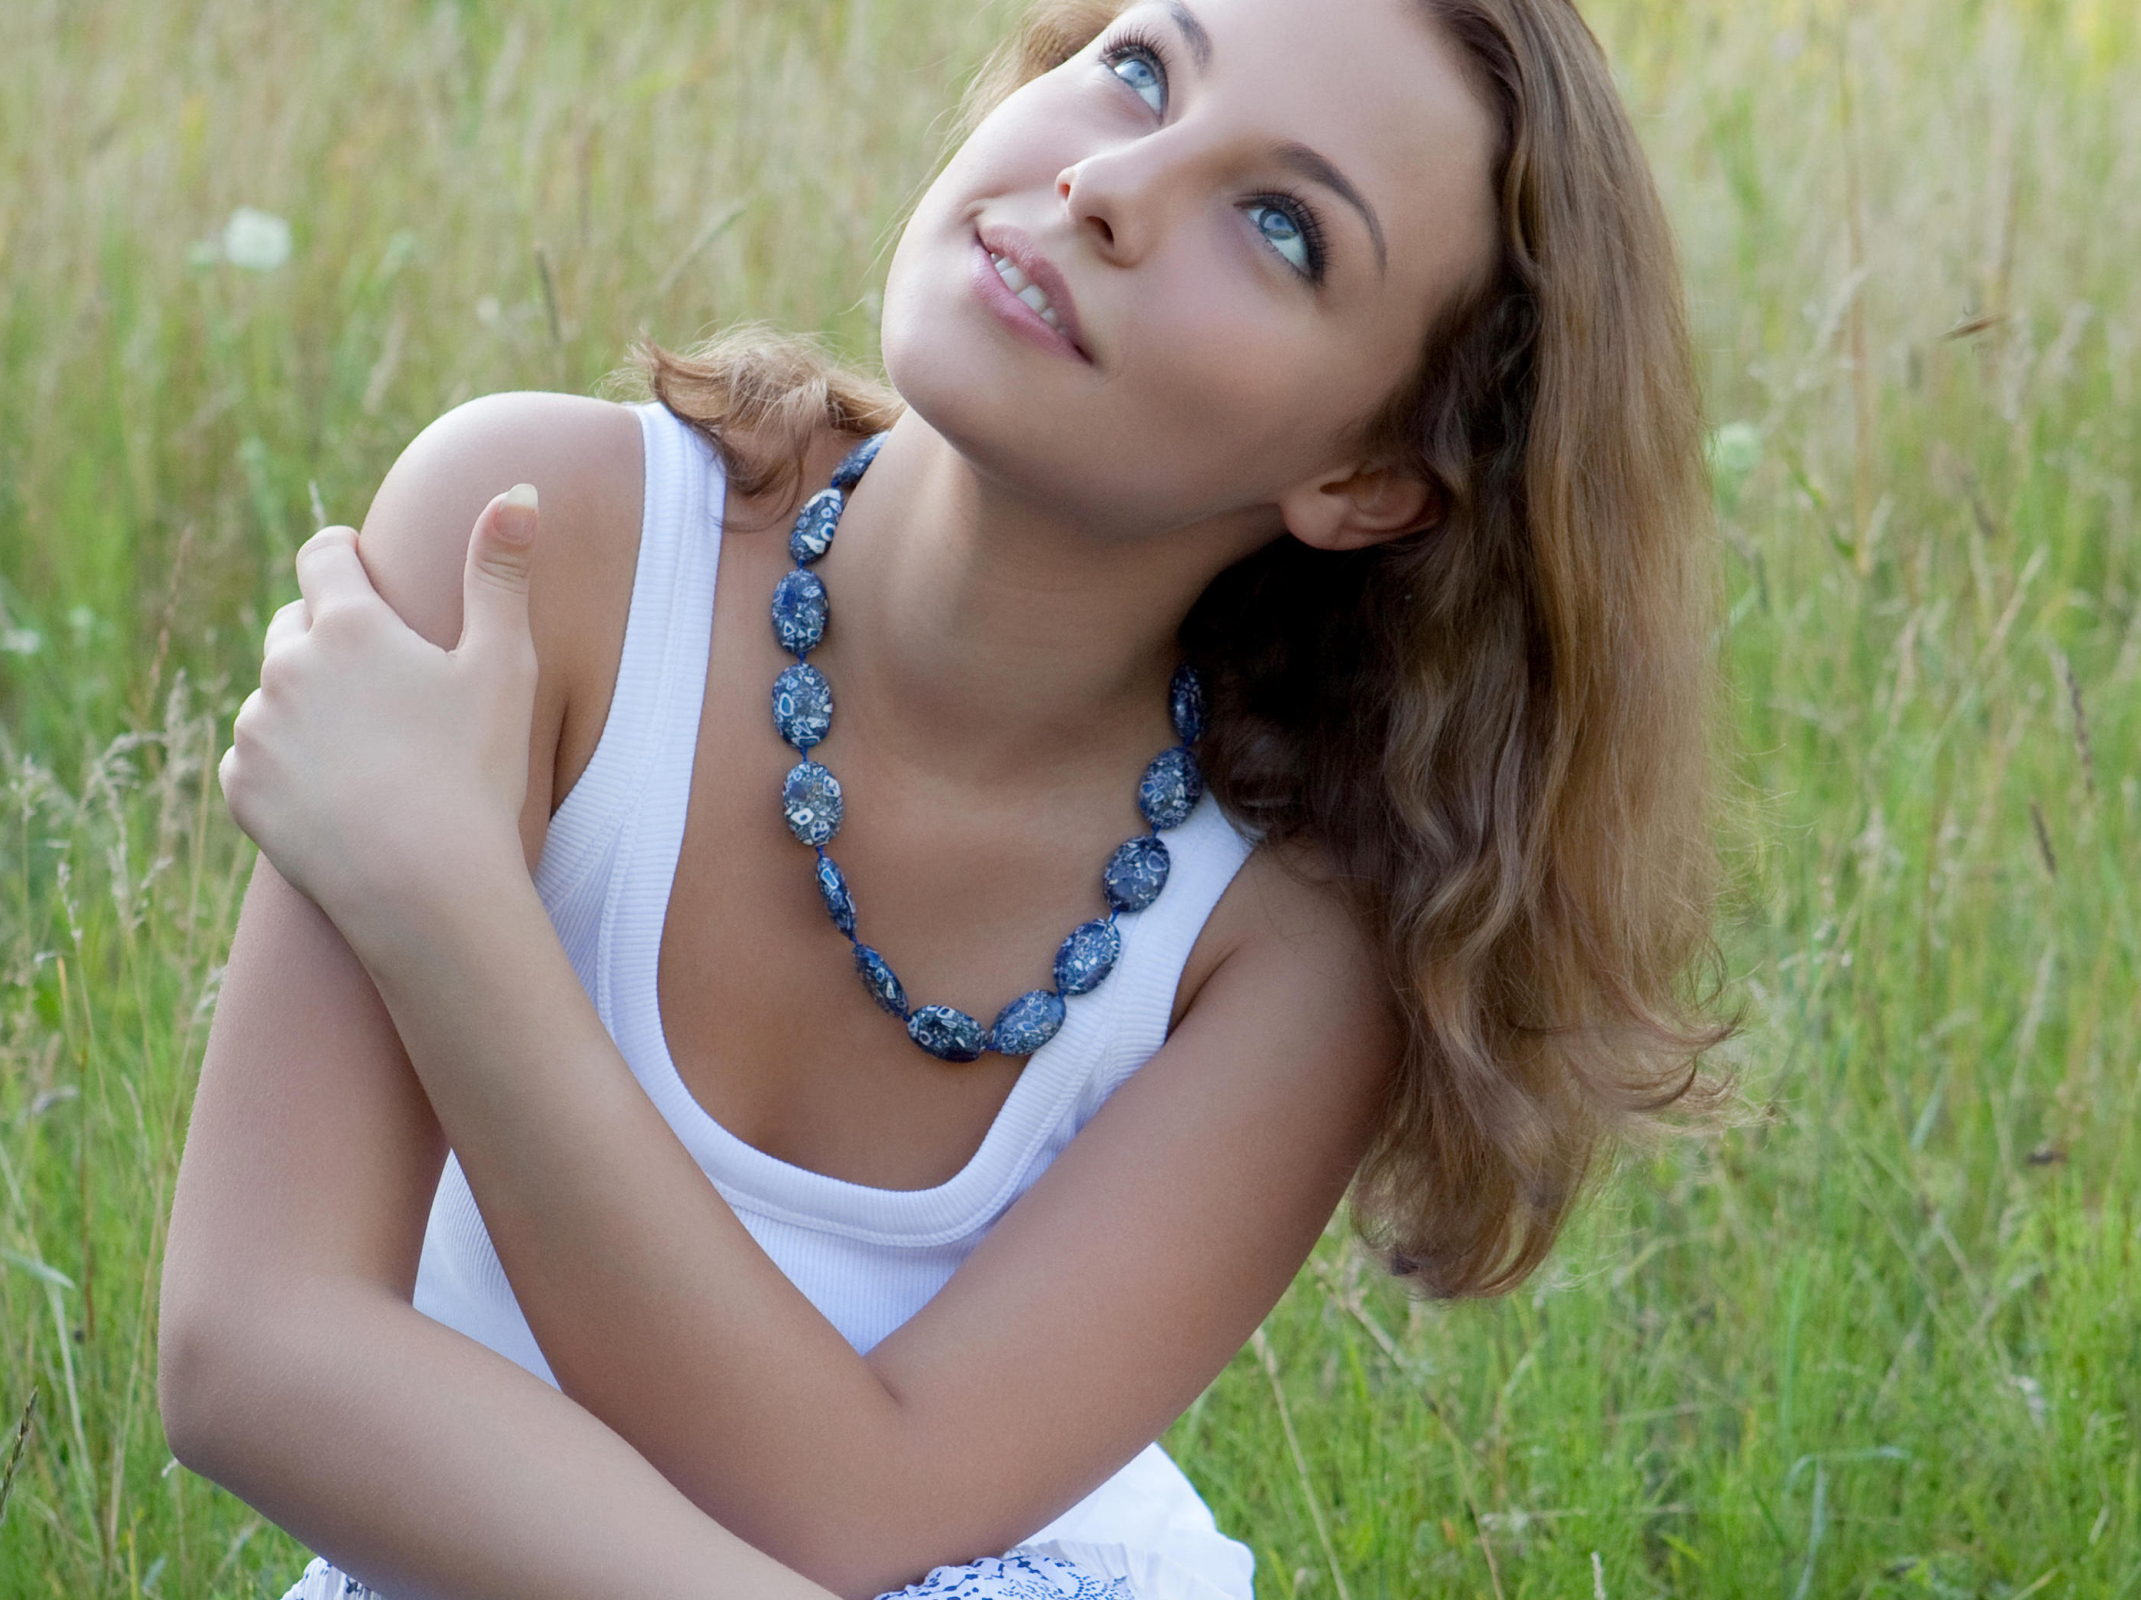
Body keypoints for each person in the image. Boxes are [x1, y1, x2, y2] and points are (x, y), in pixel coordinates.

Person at [156, 0, 1727, 1594]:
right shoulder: (534, 543)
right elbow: (250, 1351)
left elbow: (869, 1516)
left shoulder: (1286, 933)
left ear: (1366, 478)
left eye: (1279, 225)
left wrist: (442, 909)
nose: (1111, 186)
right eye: (1140, 70)